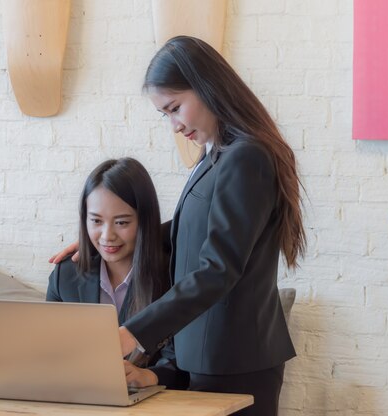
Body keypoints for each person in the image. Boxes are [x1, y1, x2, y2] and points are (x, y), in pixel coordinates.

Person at [51, 36, 306, 416]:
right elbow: (191, 227)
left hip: (234, 360)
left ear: (207, 88)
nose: (174, 126)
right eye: (164, 114)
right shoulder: (216, 157)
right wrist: (106, 238)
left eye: (175, 108)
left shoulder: (245, 157)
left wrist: (133, 331)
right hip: (209, 356)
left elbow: (219, 268)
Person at [46, 157, 188, 390]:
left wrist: (150, 376)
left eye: (121, 222)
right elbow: (49, 351)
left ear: (145, 220)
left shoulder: (173, 276)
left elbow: (182, 363)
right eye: (96, 221)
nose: (106, 236)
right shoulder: (66, 276)